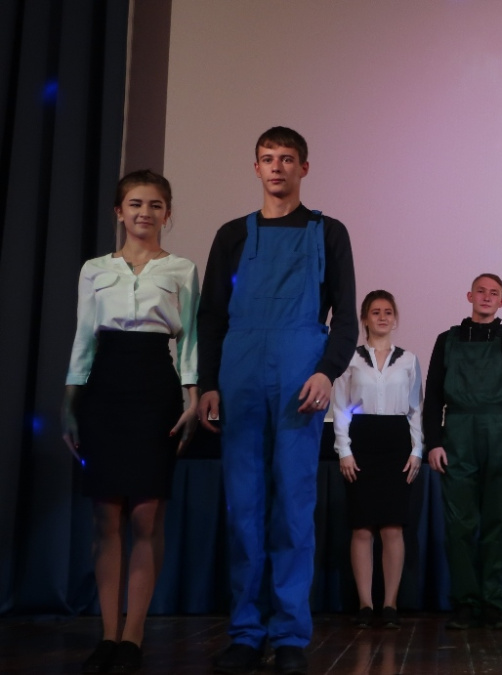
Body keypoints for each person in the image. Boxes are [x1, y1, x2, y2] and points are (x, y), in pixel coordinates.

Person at [197, 127, 357, 675]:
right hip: (240, 369)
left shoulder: (329, 232)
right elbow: (211, 315)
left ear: (303, 168)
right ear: (256, 167)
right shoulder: (231, 235)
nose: (277, 167)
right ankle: (246, 633)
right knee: (243, 509)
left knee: (292, 506)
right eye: (268, 158)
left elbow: (346, 317)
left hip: (299, 373)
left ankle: (289, 635)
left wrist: (326, 372)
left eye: (287, 159)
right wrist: (209, 382)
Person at [62, 170, 199, 674]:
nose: (145, 212)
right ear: (119, 211)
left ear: (168, 213)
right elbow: (83, 337)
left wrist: (192, 397)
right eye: (136, 203)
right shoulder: (94, 269)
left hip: (155, 386)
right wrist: (69, 402)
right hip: (104, 388)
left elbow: (190, 339)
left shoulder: (183, 269)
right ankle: (107, 634)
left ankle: (133, 637)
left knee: (146, 516)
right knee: (106, 516)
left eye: (156, 204)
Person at [423, 273, 502, 630]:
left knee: (497, 523)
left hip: (499, 435)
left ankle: (491, 604)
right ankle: (465, 604)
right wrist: (434, 442)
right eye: (481, 291)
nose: (486, 297)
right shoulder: (446, 341)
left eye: (493, 293)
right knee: (459, 525)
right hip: (456, 435)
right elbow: (433, 396)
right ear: (469, 296)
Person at [332, 290, 423, 629]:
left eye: (388, 312)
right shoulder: (350, 359)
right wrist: (344, 450)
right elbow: (340, 407)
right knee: (362, 527)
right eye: (375, 312)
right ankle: (365, 605)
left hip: (397, 443)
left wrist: (417, 450)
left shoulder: (409, 360)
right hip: (362, 441)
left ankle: (390, 604)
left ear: (395, 318)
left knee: (392, 527)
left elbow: (416, 409)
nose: (382, 317)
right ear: (365, 319)